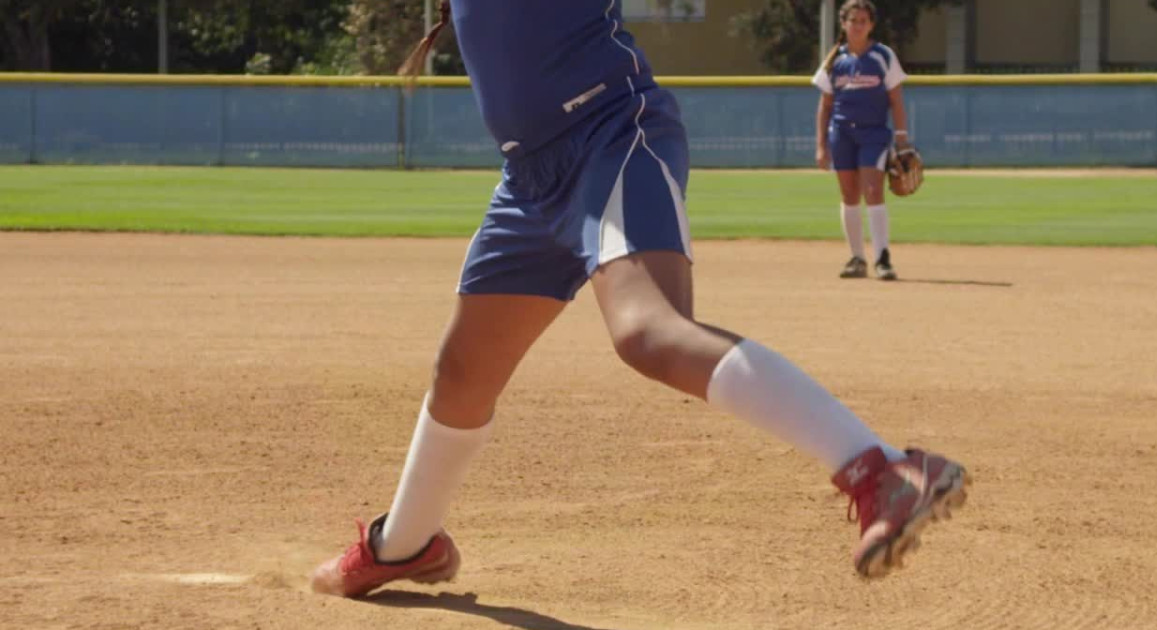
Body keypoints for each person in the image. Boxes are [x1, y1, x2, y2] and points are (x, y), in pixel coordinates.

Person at [311, 0, 970, 598]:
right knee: (461, 373)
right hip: (529, 179)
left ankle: (883, 471)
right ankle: (406, 543)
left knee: (646, 330)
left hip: (612, 135)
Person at [813, 0, 910, 281]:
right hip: (842, 133)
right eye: (852, 20)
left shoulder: (883, 56)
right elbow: (825, 106)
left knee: (873, 189)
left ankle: (882, 258)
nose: (857, 26)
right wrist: (821, 145)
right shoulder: (834, 60)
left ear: (871, 25)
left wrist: (902, 138)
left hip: (873, 134)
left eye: (863, 21)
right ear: (843, 24)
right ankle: (857, 258)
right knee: (849, 194)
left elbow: (896, 99)